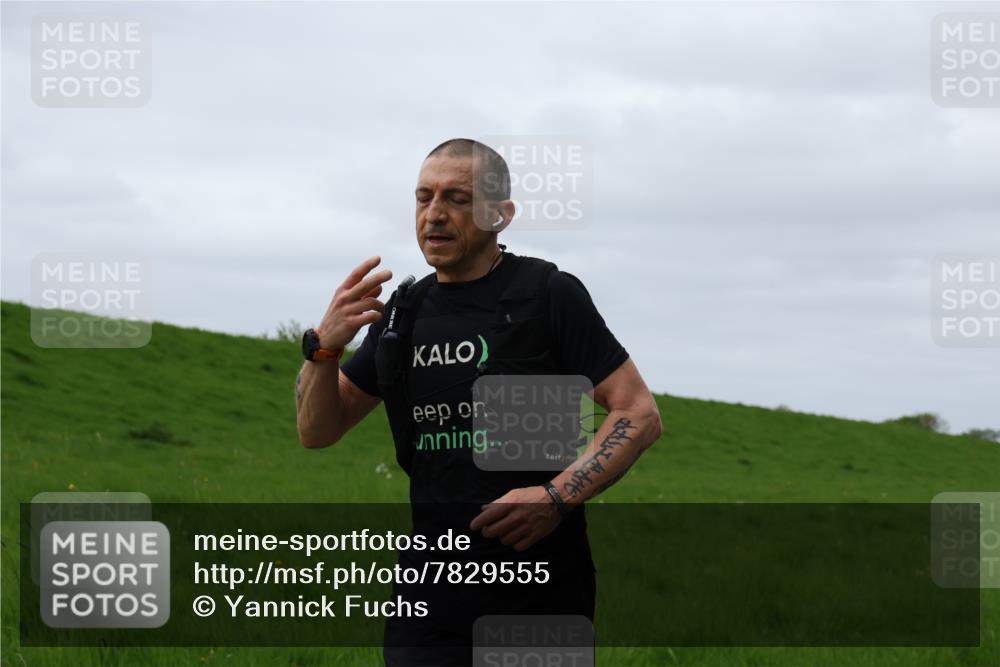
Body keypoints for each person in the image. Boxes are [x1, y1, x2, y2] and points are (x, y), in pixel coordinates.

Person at [295, 138, 662, 665]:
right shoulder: (405, 313)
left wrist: (557, 497)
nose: (435, 215)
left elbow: (638, 413)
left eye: (456, 199)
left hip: (539, 589)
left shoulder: (546, 295)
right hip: (430, 594)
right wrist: (324, 348)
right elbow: (317, 431)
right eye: (424, 198)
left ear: (501, 214)